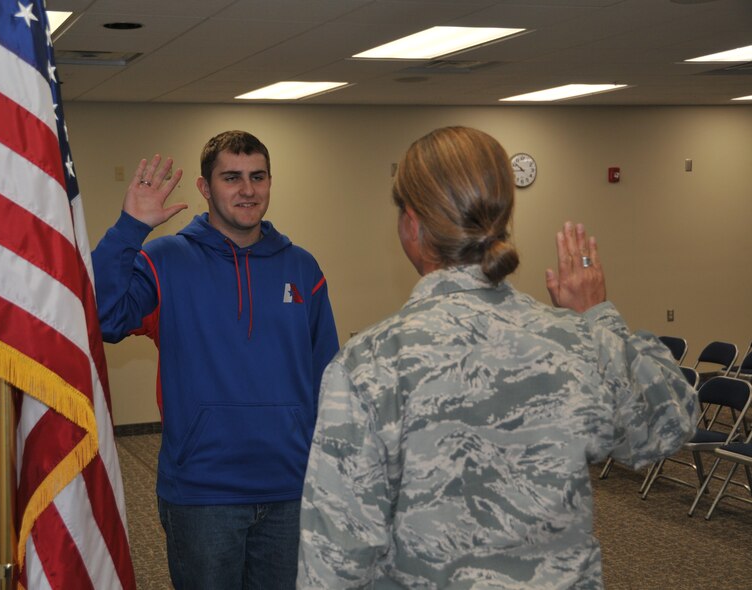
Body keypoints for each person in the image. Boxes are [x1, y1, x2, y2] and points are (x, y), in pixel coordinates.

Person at [297, 126, 698, 589]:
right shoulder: (574, 342)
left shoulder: (369, 364)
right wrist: (597, 316)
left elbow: (335, 558)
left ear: (411, 224)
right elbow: (668, 423)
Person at [92, 130, 339, 589]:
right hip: (203, 491)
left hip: (290, 487)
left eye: (257, 177)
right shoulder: (164, 260)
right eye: (231, 177)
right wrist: (130, 228)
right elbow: (103, 318)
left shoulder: (302, 268)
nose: (247, 189)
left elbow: (329, 377)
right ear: (206, 188)